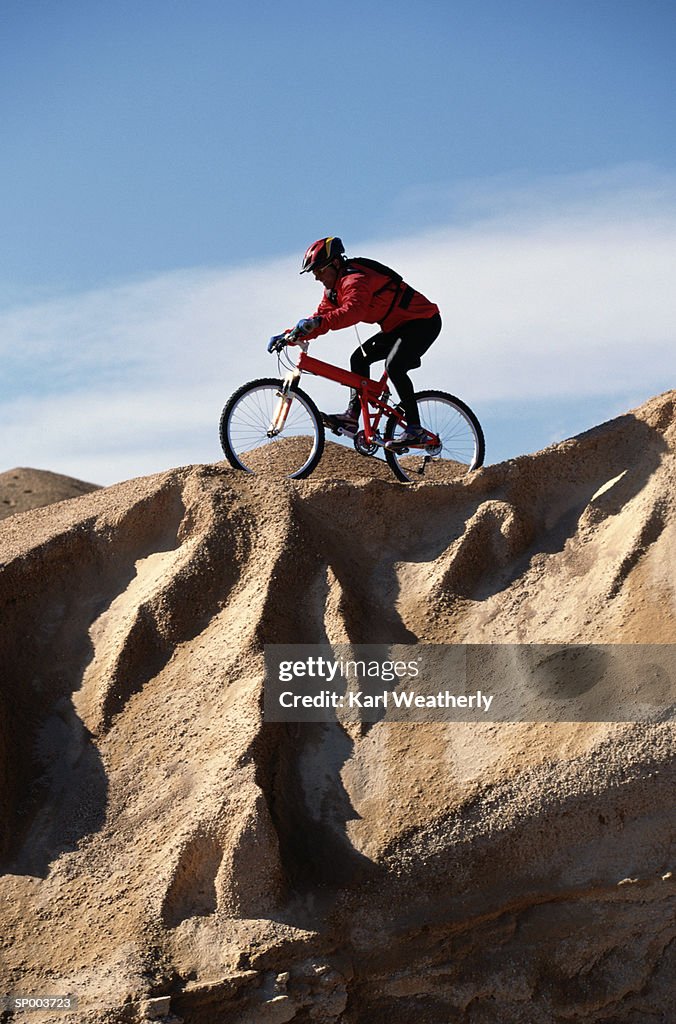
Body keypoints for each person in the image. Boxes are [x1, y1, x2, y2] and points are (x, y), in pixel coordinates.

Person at [270, 236, 441, 448]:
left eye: (319, 271)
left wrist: (317, 322)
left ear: (335, 263)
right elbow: (320, 319)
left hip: (423, 322)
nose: (316, 277)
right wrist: (289, 336)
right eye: (314, 273)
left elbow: (353, 311)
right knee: (358, 359)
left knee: (395, 366)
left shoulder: (355, 279)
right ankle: (352, 418)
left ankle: (416, 430)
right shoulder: (333, 292)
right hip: (396, 328)